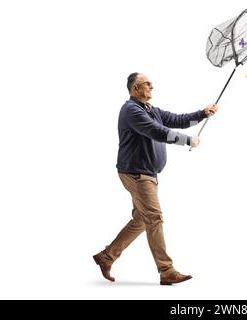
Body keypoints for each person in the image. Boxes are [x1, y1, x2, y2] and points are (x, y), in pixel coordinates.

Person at [93, 72, 218, 285]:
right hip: (137, 173)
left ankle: (106, 257)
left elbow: (178, 120)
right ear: (135, 89)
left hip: (146, 173)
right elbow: (157, 132)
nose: (152, 86)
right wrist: (188, 141)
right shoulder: (131, 111)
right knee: (155, 218)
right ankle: (166, 270)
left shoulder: (151, 110)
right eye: (147, 83)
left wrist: (203, 113)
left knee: (142, 219)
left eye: (151, 83)